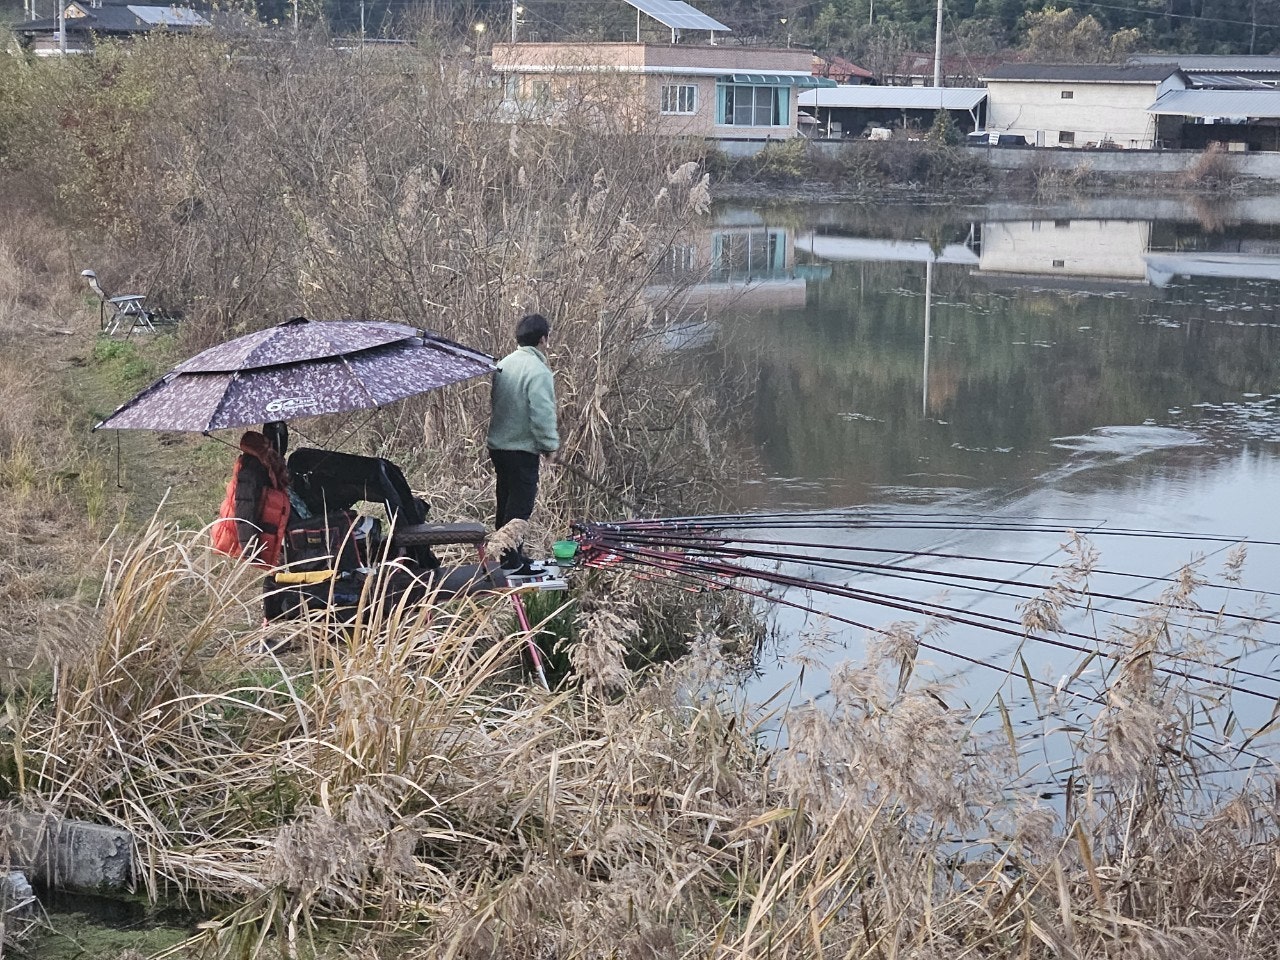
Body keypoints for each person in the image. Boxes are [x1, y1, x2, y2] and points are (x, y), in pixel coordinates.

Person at [487, 313, 560, 574]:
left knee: (505, 500)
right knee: (520, 506)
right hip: (521, 449)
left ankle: (507, 556)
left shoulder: (504, 364)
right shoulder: (538, 371)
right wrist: (549, 446)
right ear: (543, 339)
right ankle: (512, 563)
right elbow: (542, 413)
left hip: (498, 447)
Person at [211, 423, 292, 567]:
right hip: (236, 538)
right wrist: (251, 552)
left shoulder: (268, 461)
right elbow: (245, 513)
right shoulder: (252, 469)